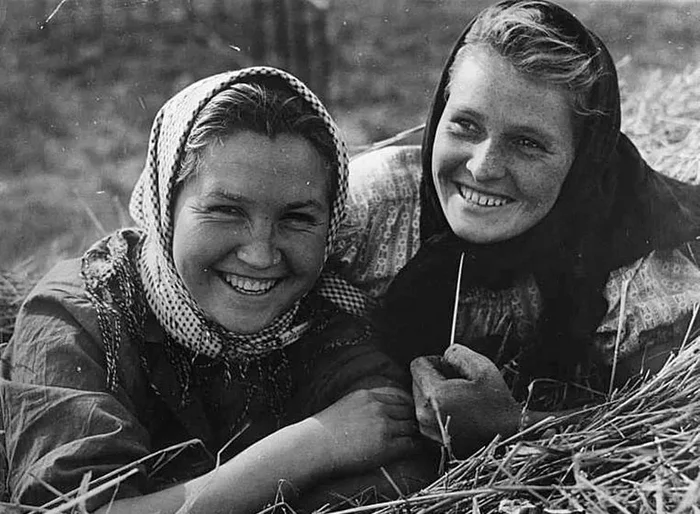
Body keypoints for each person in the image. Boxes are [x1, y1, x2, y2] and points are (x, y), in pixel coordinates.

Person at [0, 67, 423, 513]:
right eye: (225, 210)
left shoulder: (322, 317)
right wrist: (310, 447)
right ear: (167, 204)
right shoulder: (78, 318)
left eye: (297, 219)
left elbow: (401, 464)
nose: (261, 255)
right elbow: (72, 508)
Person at [332, 0, 700, 458]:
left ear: (583, 162)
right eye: (465, 125)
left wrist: (512, 424)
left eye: (528, 144)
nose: (483, 168)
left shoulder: (634, 269)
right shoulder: (370, 209)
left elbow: (671, 426)